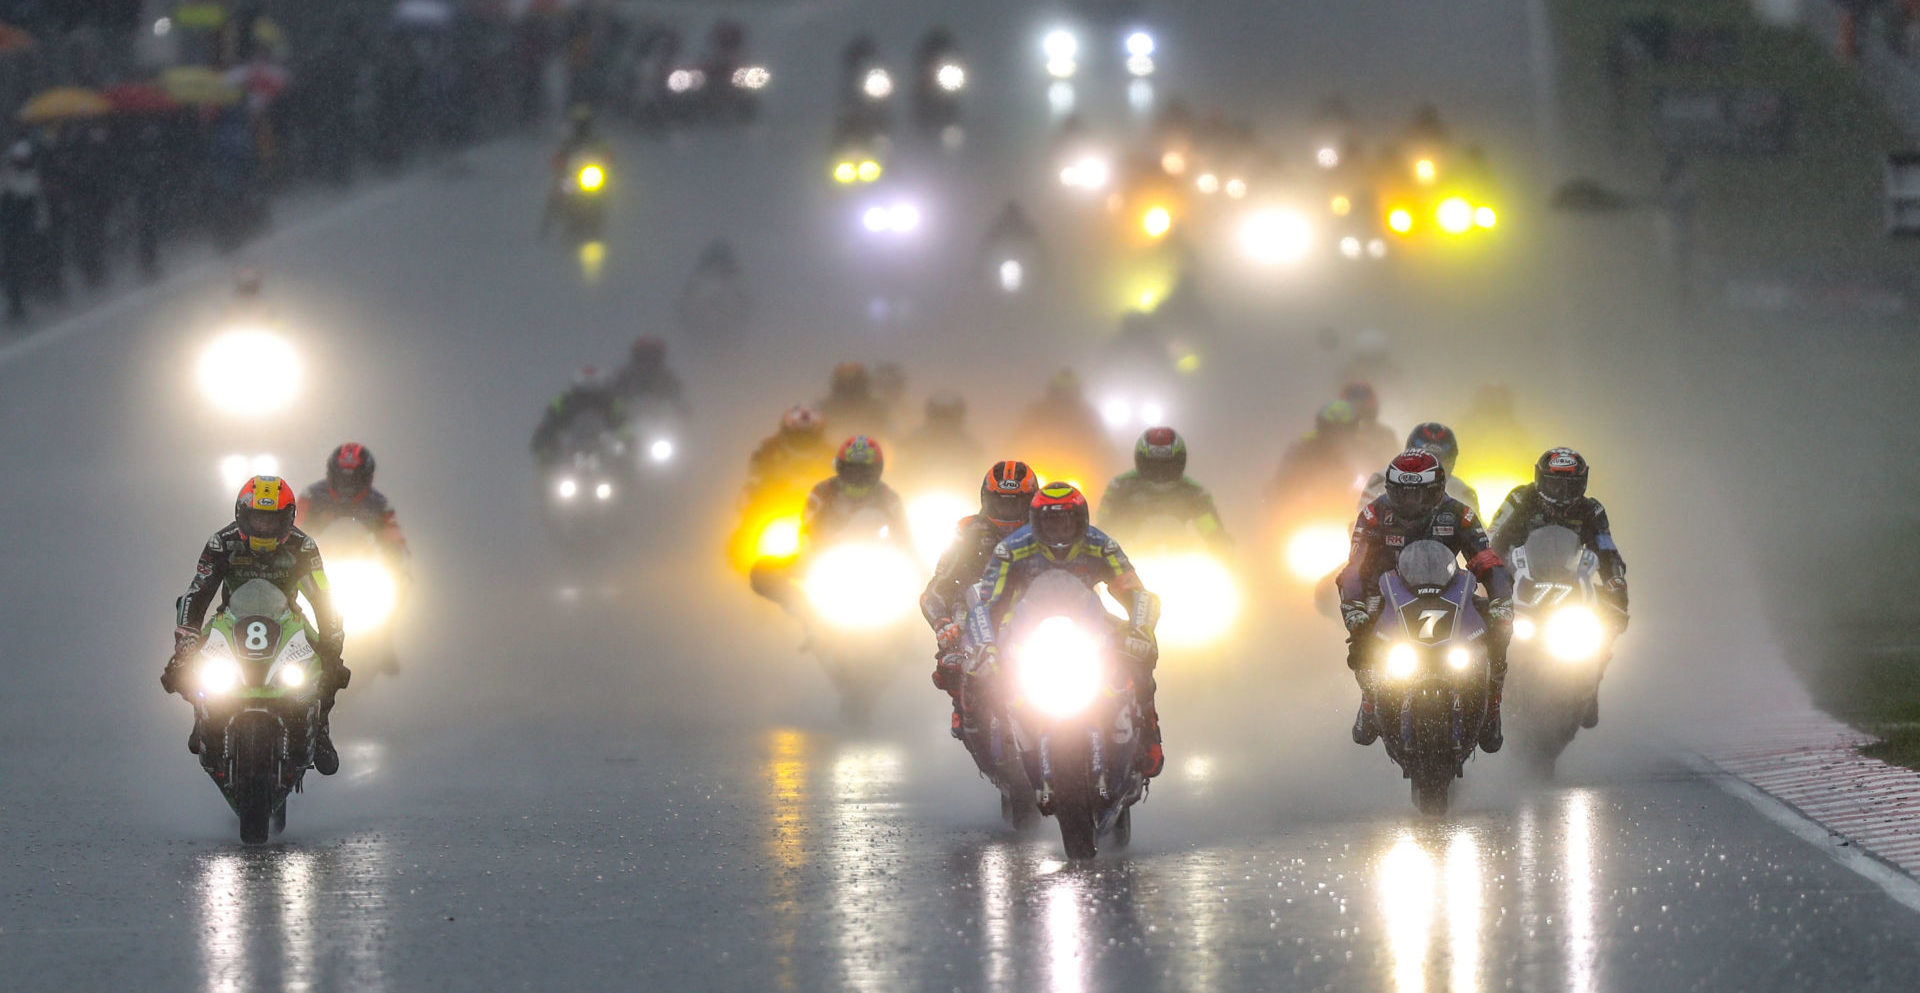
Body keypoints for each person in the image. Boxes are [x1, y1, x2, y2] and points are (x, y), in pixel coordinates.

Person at [965, 482, 1166, 778]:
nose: (1059, 530)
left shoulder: (1102, 545)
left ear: (1082, 520)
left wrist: (1141, 631)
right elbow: (985, 605)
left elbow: (1138, 594)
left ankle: (1149, 736)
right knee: (983, 677)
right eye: (1051, 522)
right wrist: (986, 648)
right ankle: (999, 750)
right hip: (1028, 628)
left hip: (1090, 624)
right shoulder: (1010, 549)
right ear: (1035, 522)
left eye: (1067, 522)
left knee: (1141, 659)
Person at [162, 476, 350, 775]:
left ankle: (321, 728)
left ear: (288, 518)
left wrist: (332, 641)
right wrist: (185, 642)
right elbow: (197, 592)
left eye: (272, 520)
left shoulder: (304, 547)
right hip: (231, 618)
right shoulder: (221, 542)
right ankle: (204, 718)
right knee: (183, 666)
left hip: (288, 619)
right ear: (241, 515)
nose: (264, 527)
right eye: (257, 519)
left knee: (331, 667)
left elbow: (324, 596)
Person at [1338, 450, 1513, 752]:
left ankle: (1492, 701)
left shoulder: (1460, 514)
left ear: (1437, 490)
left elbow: (1487, 560)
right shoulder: (1372, 514)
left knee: (1499, 629)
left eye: (1418, 494)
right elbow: (1353, 568)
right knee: (1362, 633)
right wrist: (1354, 607)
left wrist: (1500, 600)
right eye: (1402, 494)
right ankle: (1370, 698)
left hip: (1447, 590)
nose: (1410, 502)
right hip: (1386, 592)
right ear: (1389, 490)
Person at [1488, 448, 1628, 728]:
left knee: (1606, 624)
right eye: (1554, 484)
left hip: (1573, 585)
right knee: (1485, 626)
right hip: (1522, 580)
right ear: (1540, 480)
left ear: (1582, 483)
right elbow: (1492, 537)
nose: (1562, 493)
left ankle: (1591, 687)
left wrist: (1616, 584)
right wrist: (1490, 573)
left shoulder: (1592, 510)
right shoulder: (1520, 498)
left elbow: (1607, 549)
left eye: (1570, 485)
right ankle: (1487, 690)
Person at [920, 460, 1038, 736]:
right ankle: (964, 705)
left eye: (1016, 504)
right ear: (986, 499)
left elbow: (1075, 578)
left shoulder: (1049, 528)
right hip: (975, 616)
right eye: (1001, 503)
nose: (1008, 512)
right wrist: (943, 623)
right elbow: (935, 589)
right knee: (950, 661)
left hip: (1034, 610)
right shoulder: (966, 531)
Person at [749, 436, 913, 626]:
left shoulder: (888, 497)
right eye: (852, 472)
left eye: (864, 473)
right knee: (761, 574)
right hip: (826, 556)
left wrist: (906, 561)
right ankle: (805, 614)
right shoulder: (822, 492)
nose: (857, 480)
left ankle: (912, 632)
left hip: (875, 562)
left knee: (928, 580)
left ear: (877, 472)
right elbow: (807, 529)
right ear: (840, 469)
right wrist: (813, 552)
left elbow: (904, 538)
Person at [1098, 427, 1229, 549]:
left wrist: (1222, 553)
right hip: (1129, 559)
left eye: (1167, 465)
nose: (1160, 472)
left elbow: (1212, 532)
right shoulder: (1120, 488)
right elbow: (1104, 527)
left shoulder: (1195, 494)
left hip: (1185, 561)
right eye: (1153, 465)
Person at [298, 443, 410, 566]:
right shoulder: (311, 496)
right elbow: (293, 531)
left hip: (366, 567)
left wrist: (399, 568)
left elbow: (396, 543)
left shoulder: (380, 506)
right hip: (317, 564)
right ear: (331, 475)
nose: (347, 485)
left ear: (368, 478)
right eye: (342, 479)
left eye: (354, 479)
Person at [1360, 422, 1481, 515]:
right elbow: (1360, 523)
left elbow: (1481, 538)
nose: (1431, 468)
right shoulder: (1382, 481)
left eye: (1440, 460)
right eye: (1424, 459)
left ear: (1452, 462)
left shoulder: (1463, 493)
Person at [531, 366, 629, 466]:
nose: (588, 401)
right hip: (569, 455)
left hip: (604, 454)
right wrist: (544, 445)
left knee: (630, 470)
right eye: (583, 396)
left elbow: (622, 424)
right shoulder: (564, 403)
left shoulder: (610, 404)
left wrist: (627, 444)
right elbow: (549, 425)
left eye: (593, 397)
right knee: (545, 470)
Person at [744, 404, 835, 498]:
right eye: (797, 436)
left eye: (809, 437)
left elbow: (841, 482)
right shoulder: (768, 449)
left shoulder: (832, 455)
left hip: (816, 505)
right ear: (785, 431)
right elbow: (756, 477)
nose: (803, 442)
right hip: (775, 504)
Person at [0, 141, 47, 323]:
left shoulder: (31, 180)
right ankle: (16, 304)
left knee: (22, 268)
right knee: (13, 269)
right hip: (12, 233)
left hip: (23, 232)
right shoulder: (8, 181)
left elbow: (38, 209)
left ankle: (22, 302)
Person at [897, 392, 983, 483]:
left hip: (960, 491)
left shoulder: (972, 447)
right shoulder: (912, 443)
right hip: (917, 490)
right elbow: (899, 468)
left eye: (949, 417)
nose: (943, 422)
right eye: (939, 416)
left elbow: (981, 472)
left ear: (958, 417)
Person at [609, 336, 688, 414]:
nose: (648, 363)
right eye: (644, 357)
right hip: (632, 418)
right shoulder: (626, 377)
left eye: (653, 358)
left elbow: (678, 398)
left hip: (662, 418)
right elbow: (617, 398)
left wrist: (684, 412)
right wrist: (616, 414)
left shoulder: (667, 378)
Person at [817, 360, 892, 440]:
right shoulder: (823, 409)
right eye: (845, 385)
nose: (850, 389)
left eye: (854, 384)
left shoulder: (877, 408)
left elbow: (888, 435)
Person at [1341, 382, 1400, 466]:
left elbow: (1395, 459)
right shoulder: (1337, 436)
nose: (1358, 405)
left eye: (1361, 401)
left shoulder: (1385, 435)